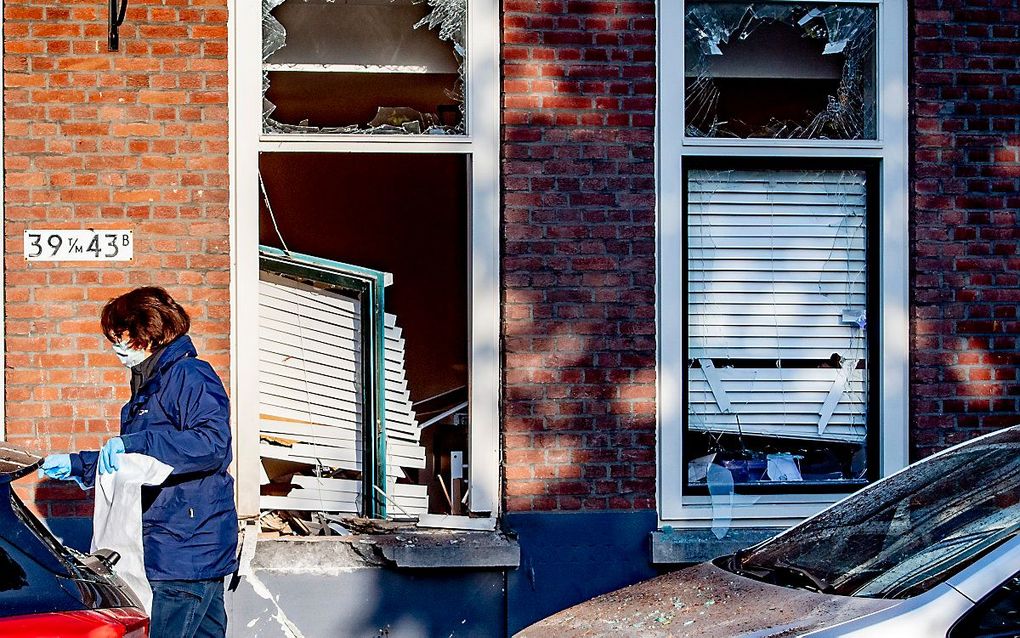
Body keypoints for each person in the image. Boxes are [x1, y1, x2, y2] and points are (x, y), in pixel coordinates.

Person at [40, 287, 237, 638]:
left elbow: (212, 444)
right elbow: (133, 461)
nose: (115, 346)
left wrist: (134, 441)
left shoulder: (189, 375)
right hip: (175, 549)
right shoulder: (149, 387)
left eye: (119, 336)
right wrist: (78, 465)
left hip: (181, 553)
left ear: (146, 330)